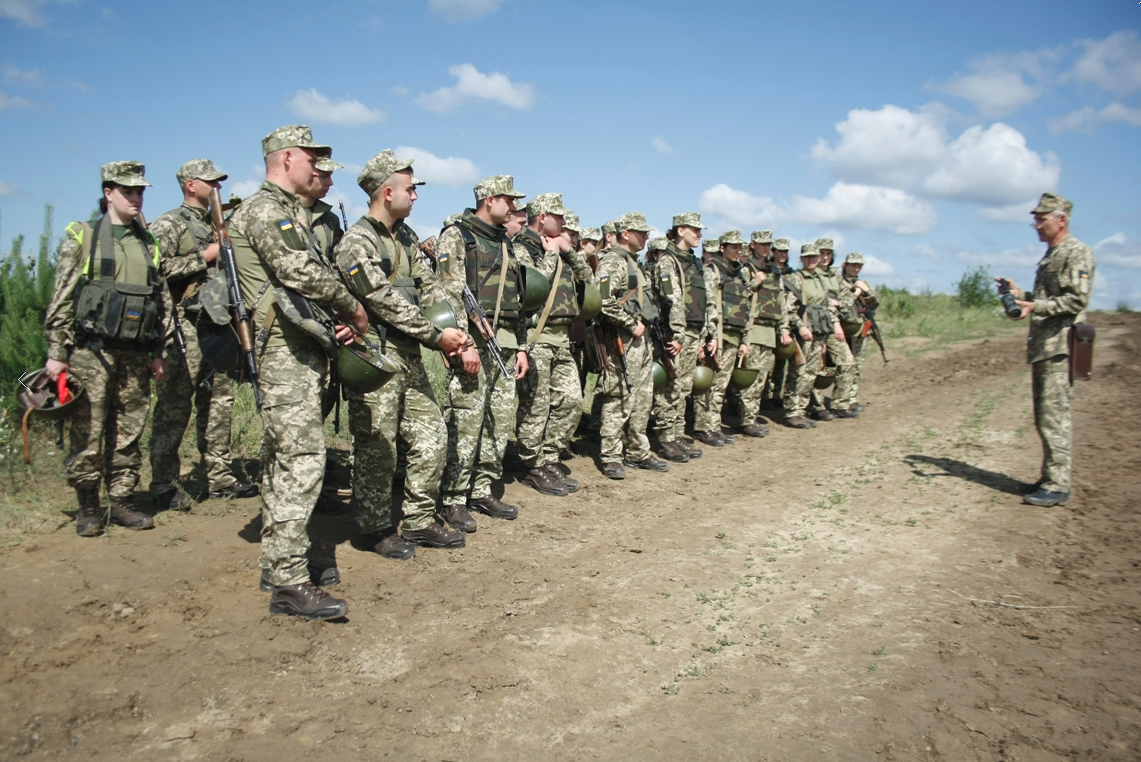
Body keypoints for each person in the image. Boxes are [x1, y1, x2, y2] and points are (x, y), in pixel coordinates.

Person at [229, 124, 368, 620]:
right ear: (286, 157)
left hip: (298, 345)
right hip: (282, 351)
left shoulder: (290, 212)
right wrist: (352, 308)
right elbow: (299, 273)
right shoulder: (267, 210)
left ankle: (280, 558)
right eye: (312, 157)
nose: (318, 167)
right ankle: (289, 580)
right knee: (302, 459)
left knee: (284, 457)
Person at [333, 149, 470, 558]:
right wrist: (435, 336)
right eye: (410, 189)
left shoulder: (406, 238)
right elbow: (381, 300)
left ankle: (418, 520)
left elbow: (429, 287)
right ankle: (372, 527)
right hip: (375, 358)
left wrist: (451, 330)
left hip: (409, 355)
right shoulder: (357, 241)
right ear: (386, 192)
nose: (415, 196)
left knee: (431, 436)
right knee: (379, 448)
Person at [44, 161, 171, 536]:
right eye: (127, 191)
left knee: (129, 428)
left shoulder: (148, 243)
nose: (135, 197)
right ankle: (88, 505)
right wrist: (57, 353)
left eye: (139, 191)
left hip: (135, 352)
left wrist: (159, 352)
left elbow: (161, 303)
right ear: (108, 193)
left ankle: (122, 501)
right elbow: (62, 297)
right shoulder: (83, 237)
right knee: (89, 428)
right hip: (91, 352)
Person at [148, 159, 257, 511]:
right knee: (174, 407)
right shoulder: (170, 223)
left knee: (219, 403)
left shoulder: (219, 224)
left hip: (220, 325)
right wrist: (204, 256)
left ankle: (220, 476)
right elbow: (156, 269)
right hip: (185, 327)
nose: (217, 187)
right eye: (210, 181)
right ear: (190, 185)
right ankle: (163, 482)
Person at [436, 176, 531, 528]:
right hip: (473, 345)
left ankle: (480, 487)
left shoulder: (506, 244)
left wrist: (521, 347)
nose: (514, 207)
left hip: (505, 346)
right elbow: (448, 292)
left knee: (498, 422)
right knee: (466, 419)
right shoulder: (457, 236)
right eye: (509, 200)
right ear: (489, 200)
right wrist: (465, 343)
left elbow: (517, 301)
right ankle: (453, 497)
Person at [997, 192, 1095, 508]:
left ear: (1061, 220)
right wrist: (1018, 294)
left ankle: (1057, 485)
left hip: (1059, 347)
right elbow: (1047, 297)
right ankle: (1050, 477)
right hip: (1045, 347)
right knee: (1044, 415)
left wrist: (1034, 305)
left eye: (1042, 219)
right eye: (1036, 219)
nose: (1036, 225)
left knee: (1055, 417)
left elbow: (1076, 300)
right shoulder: (1053, 255)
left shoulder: (1076, 253)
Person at [513, 193, 592, 496]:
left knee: (571, 402)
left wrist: (569, 253)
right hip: (536, 339)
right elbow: (533, 287)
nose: (564, 222)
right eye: (558, 217)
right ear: (542, 217)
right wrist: (550, 256)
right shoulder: (521, 247)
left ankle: (550, 456)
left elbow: (588, 280)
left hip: (561, 338)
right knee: (536, 406)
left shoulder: (560, 249)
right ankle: (534, 465)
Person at [594, 213, 670, 479]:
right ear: (625, 233)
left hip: (642, 340)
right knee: (619, 396)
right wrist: (630, 323)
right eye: (641, 232)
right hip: (623, 340)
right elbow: (602, 300)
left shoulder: (633, 263)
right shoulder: (614, 261)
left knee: (642, 397)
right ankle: (611, 455)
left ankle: (638, 451)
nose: (646, 237)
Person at [650, 212, 712, 462]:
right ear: (680, 230)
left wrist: (704, 335)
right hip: (676, 334)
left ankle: (676, 434)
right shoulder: (668, 260)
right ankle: (666, 438)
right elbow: (672, 300)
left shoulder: (694, 262)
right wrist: (677, 335)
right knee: (671, 386)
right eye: (695, 230)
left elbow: (703, 301)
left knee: (684, 387)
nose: (699, 234)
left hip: (692, 332)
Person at [693, 230, 752, 445]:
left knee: (721, 385)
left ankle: (713, 426)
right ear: (722, 248)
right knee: (709, 384)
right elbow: (708, 305)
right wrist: (709, 337)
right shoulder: (712, 271)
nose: (737, 251)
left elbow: (746, 309)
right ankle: (703, 427)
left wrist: (745, 340)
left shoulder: (740, 274)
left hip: (734, 335)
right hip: (716, 336)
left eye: (740, 247)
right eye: (733, 247)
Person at [732, 231, 789, 437]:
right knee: (752, 378)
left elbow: (781, 304)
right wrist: (753, 283)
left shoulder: (774, 271)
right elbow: (737, 297)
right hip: (753, 329)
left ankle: (752, 417)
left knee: (763, 378)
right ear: (753, 245)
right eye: (762, 244)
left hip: (769, 331)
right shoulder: (746, 269)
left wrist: (784, 329)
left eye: (768, 245)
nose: (765, 248)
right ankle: (746, 420)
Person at [810, 238, 858, 420]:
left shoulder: (835, 276)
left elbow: (847, 300)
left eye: (828, 253)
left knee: (847, 362)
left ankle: (840, 403)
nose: (824, 257)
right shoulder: (811, 275)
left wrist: (837, 305)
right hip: (817, 325)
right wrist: (833, 309)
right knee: (815, 367)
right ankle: (817, 405)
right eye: (821, 253)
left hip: (833, 325)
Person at [839, 252, 877, 413]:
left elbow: (875, 303)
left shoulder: (863, 283)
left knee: (857, 365)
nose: (855, 268)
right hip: (845, 328)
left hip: (861, 329)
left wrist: (866, 291)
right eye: (853, 265)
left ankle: (852, 398)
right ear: (845, 265)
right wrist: (856, 292)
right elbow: (843, 304)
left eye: (858, 266)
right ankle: (842, 399)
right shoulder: (839, 282)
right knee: (845, 365)